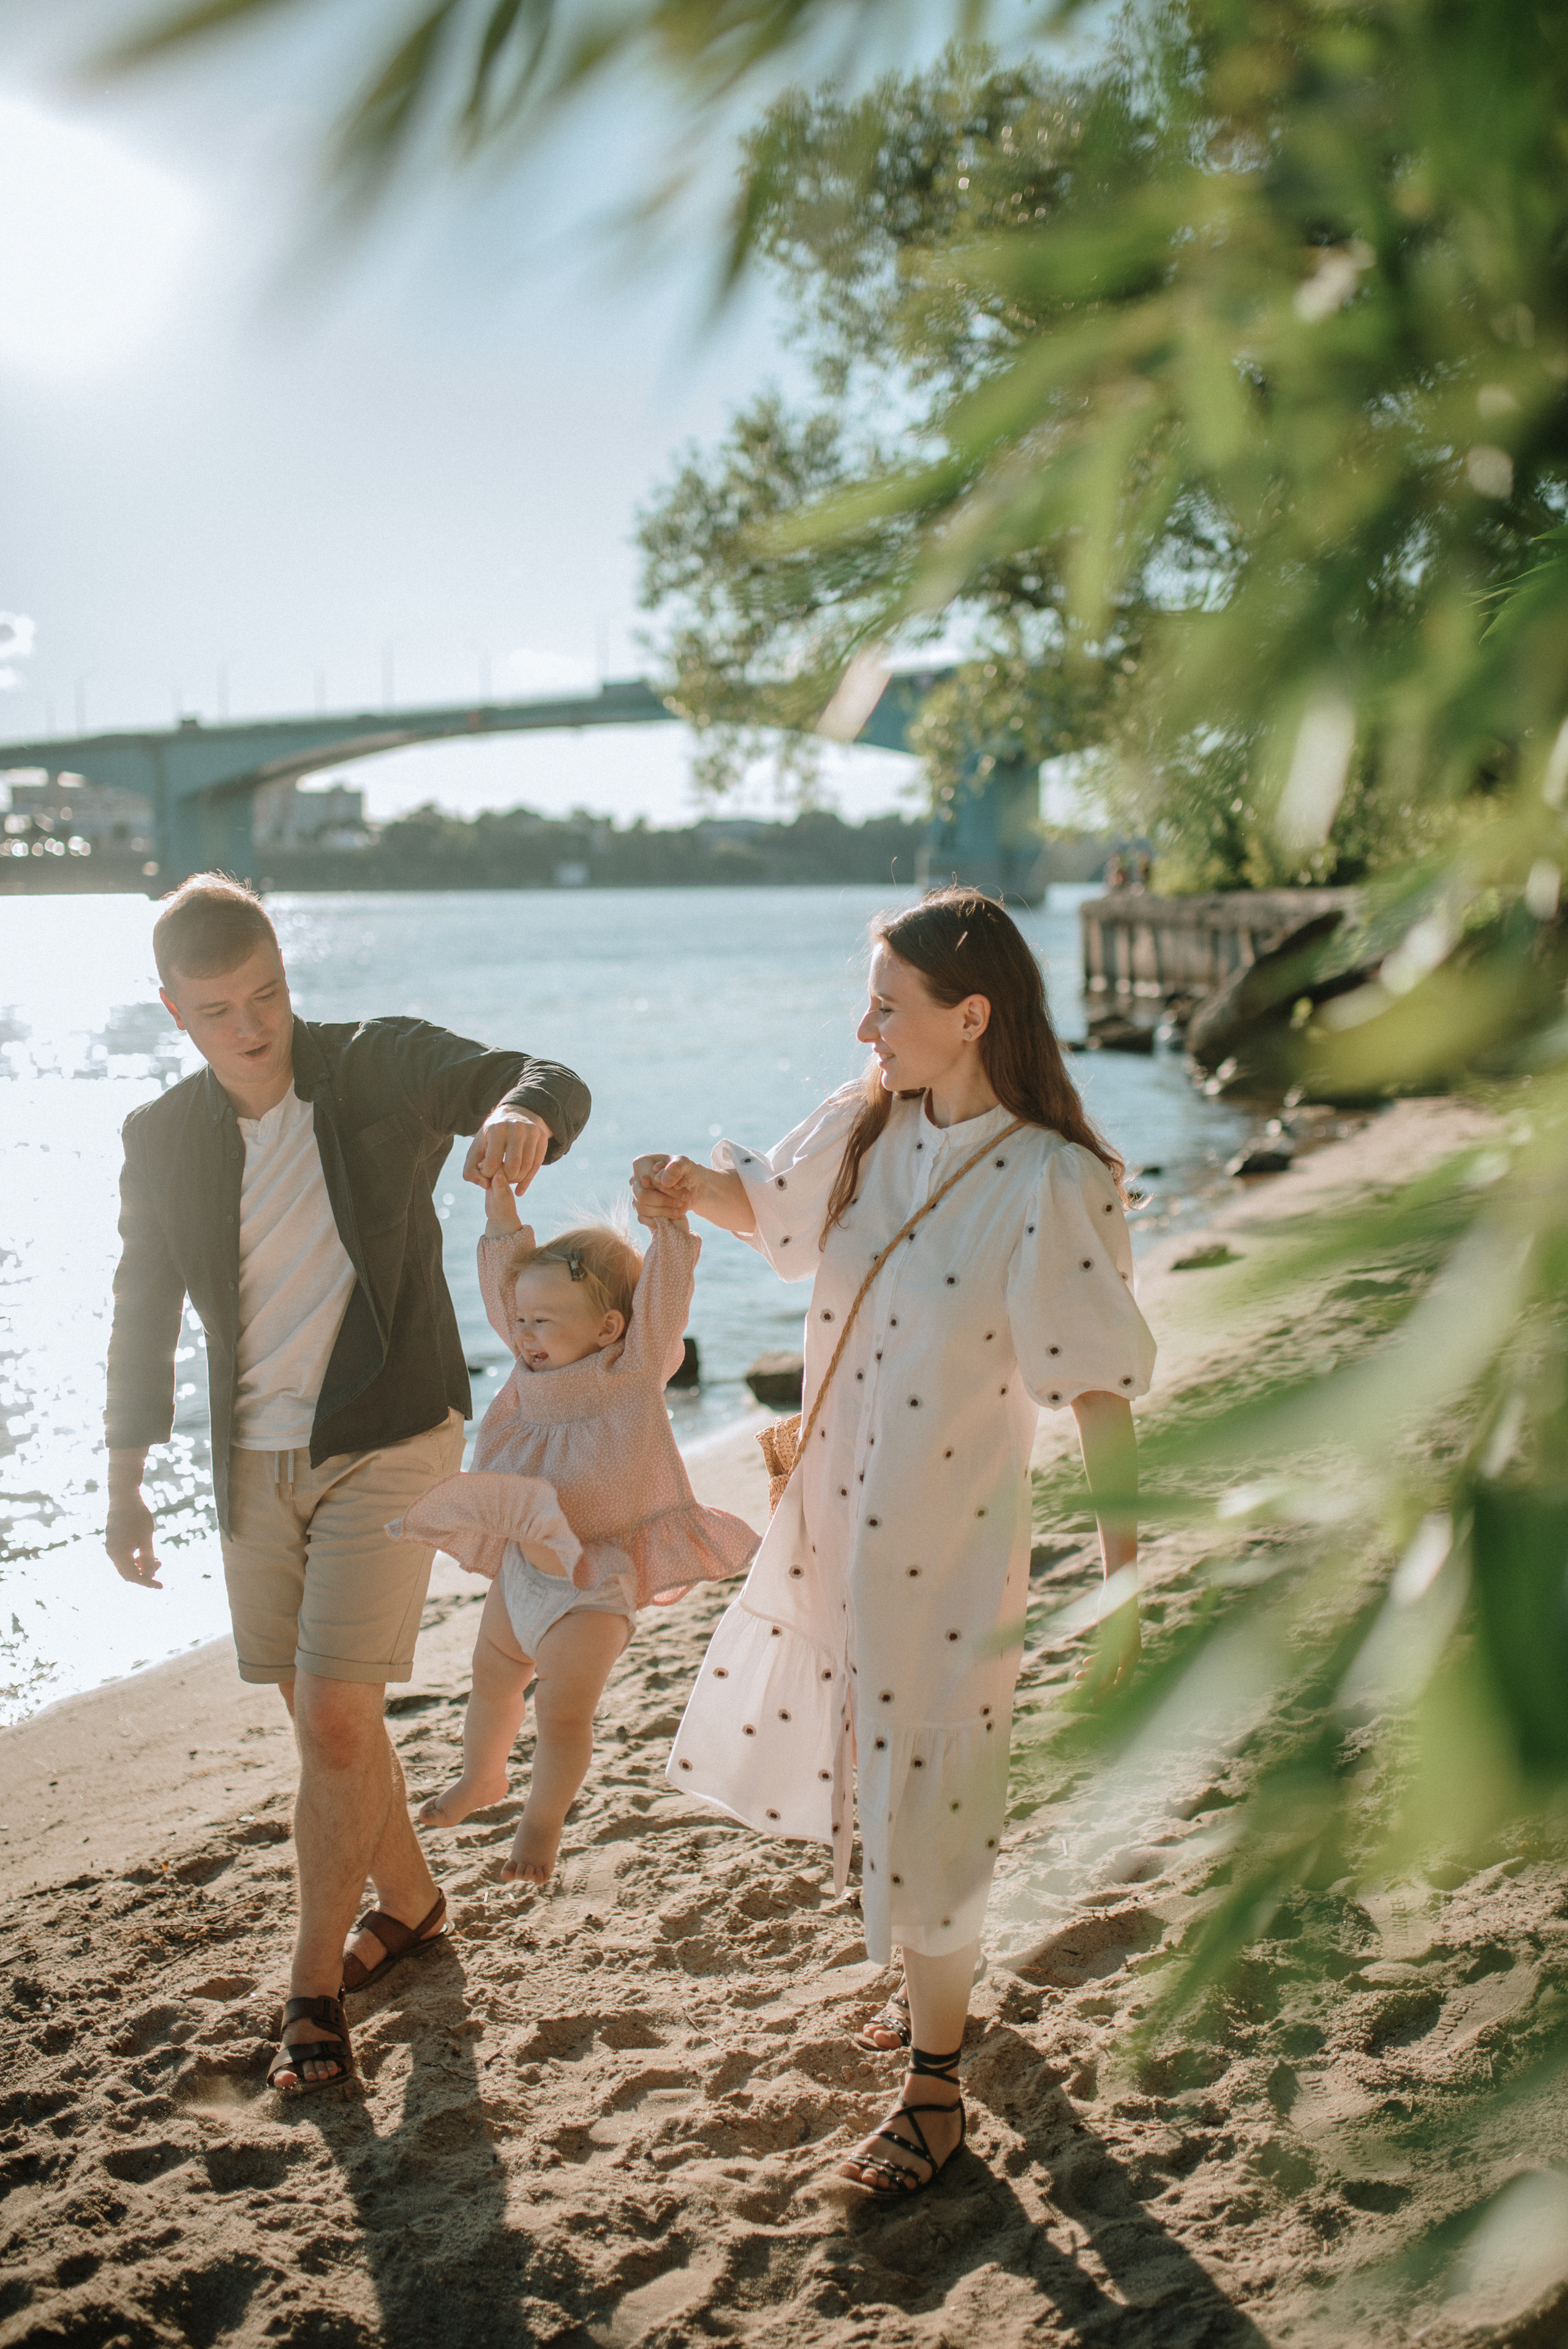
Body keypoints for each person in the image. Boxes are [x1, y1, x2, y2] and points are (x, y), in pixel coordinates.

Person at [633, 887, 1155, 2196]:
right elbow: (778, 1220)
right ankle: (937, 2000)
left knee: (934, 1778)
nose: (863, 1024)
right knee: (879, 1760)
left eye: (887, 1004)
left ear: (969, 1016)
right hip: (831, 1512)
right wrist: (688, 1192)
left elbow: (1093, 1387)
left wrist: (1122, 1587)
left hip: (950, 1537)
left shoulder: (1048, 1181)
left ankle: (932, 2090)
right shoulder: (865, 1124)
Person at [104, 873, 590, 2096]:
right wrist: (126, 1480)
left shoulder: (374, 1068)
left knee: (330, 1717)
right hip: (252, 1462)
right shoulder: (162, 1140)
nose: (253, 1027)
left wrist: (520, 1118)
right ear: (176, 1014)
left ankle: (311, 1991)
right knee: (333, 1723)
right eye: (220, 1012)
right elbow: (142, 1310)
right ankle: (414, 1909)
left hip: (391, 1432)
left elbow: (534, 1074)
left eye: (266, 994)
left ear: (283, 974)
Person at [387, 1178, 756, 1883]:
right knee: (491, 1680)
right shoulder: (531, 1363)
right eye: (520, 1323)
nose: (522, 1336)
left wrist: (668, 1230)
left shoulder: (634, 1368)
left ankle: (540, 1823)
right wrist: (502, 1217)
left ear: (610, 1327)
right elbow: (506, 1288)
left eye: (543, 1323)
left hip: (594, 1583)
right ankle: (482, 1777)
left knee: (560, 1713)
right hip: (524, 1572)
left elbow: (665, 1298)